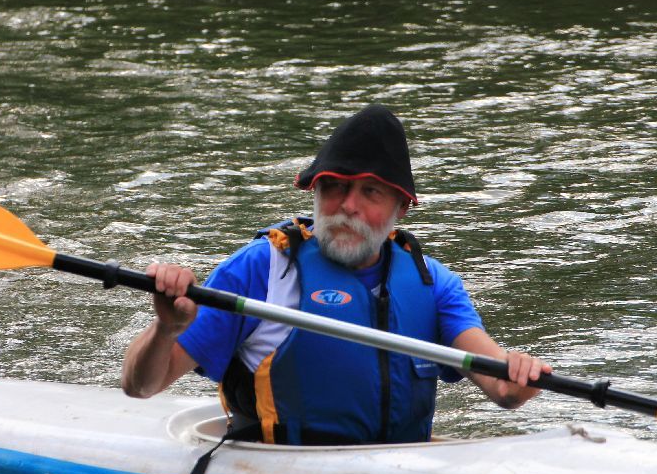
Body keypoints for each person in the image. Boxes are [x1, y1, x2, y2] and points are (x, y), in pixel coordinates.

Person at [122, 103, 551, 445]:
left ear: (400, 210)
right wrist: (165, 328)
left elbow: (504, 392)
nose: (348, 205)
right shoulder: (263, 269)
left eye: (370, 192)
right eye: (335, 187)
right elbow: (141, 386)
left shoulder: (431, 284)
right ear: (315, 193)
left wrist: (521, 372)